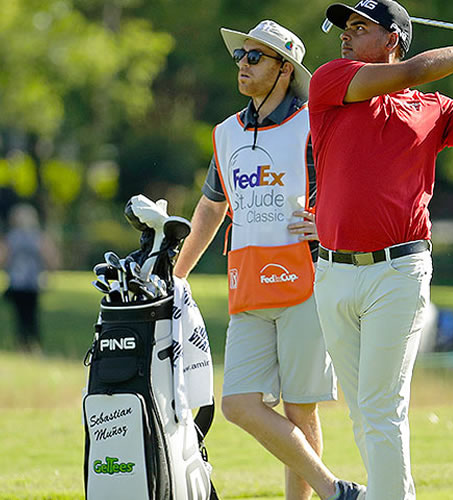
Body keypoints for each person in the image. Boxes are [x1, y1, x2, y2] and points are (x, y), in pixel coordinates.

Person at [307, 1, 453, 498]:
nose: (345, 35)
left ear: (392, 38)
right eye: (345, 27)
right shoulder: (331, 80)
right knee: (365, 411)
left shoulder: (436, 110)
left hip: (399, 272)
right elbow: (409, 71)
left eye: (360, 27)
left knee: (382, 404)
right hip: (333, 272)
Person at [173, 20, 362, 500]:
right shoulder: (224, 134)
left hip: (307, 282)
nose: (242, 63)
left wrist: (327, 224)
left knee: (302, 411)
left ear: (285, 70)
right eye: (240, 56)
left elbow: (351, 193)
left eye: (254, 57)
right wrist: (175, 274)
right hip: (248, 285)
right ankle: (334, 490)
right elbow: (212, 209)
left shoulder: (313, 126)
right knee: (237, 404)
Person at [0, 203, 58, 353]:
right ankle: (31, 343)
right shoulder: (37, 237)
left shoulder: (12, 238)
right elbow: (49, 256)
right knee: (30, 315)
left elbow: (3, 258)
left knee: (22, 315)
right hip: (31, 283)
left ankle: (24, 343)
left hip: (19, 282)